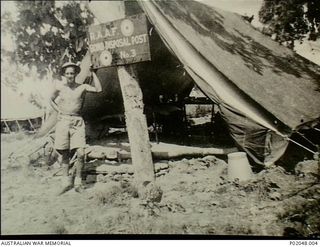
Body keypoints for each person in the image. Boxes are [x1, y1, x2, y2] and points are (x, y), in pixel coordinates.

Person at [50, 61, 102, 194]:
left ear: (76, 74)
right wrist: (58, 111)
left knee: (80, 153)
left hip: (77, 121)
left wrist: (93, 74)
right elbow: (50, 99)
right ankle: (65, 183)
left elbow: (99, 89)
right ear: (64, 75)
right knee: (65, 153)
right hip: (63, 121)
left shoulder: (82, 87)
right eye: (67, 73)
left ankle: (78, 183)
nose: (69, 76)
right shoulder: (60, 87)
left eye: (72, 73)